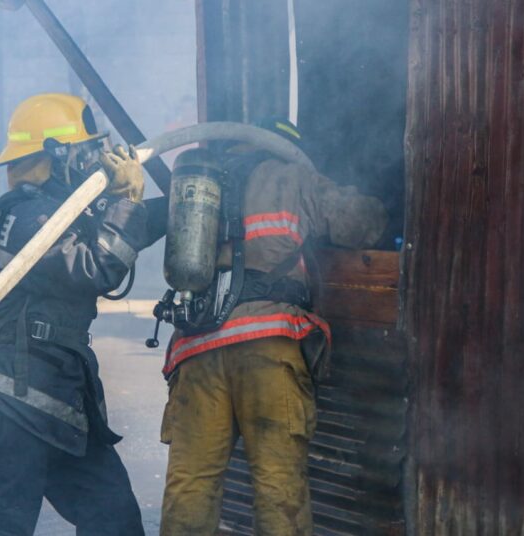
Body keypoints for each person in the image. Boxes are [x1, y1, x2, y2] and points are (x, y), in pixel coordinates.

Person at [159, 119, 388, 535]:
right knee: (278, 485)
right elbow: (358, 224)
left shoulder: (199, 185)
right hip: (267, 348)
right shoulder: (292, 176)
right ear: (287, 147)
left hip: (195, 352)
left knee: (191, 485)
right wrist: (382, 205)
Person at [0, 93, 164, 536]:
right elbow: (98, 266)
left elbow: (114, 234)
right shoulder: (26, 219)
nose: (93, 161)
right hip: (17, 398)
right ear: (56, 153)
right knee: (2, 523)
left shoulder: (56, 213)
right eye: (86, 151)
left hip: (60, 398)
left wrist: (181, 202)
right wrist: (126, 198)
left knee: (115, 519)